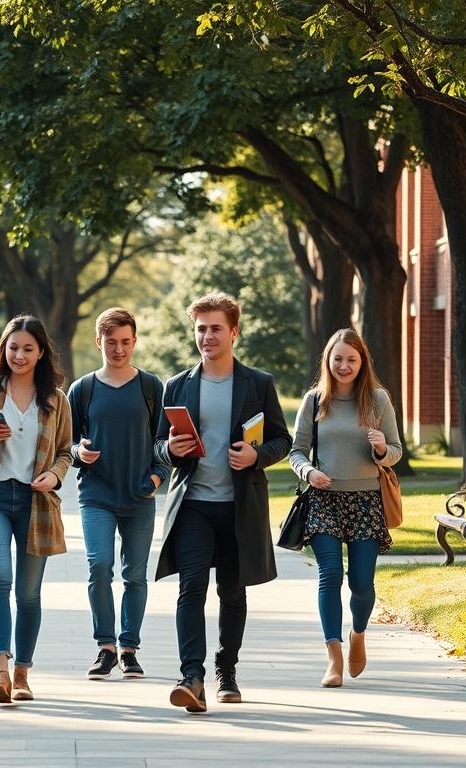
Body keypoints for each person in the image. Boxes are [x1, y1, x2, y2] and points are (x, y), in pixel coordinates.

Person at [155, 292, 292, 713]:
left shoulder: (259, 383)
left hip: (239, 506)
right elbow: (158, 445)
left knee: (232, 592)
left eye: (215, 328)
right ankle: (190, 676)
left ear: (233, 332)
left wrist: (257, 456)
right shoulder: (177, 385)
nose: (207, 336)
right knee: (190, 586)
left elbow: (282, 440)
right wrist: (171, 450)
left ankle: (225, 670)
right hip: (193, 503)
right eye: (200, 329)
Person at [0, 315, 73, 704]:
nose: (19, 355)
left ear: (41, 353)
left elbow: (64, 452)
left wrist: (54, 476)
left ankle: (23, 672)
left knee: (28, 594)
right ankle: (0, 670)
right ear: (3, 349)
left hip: (36, 503)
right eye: (13, 347)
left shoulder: (56, 400)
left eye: (27, 348)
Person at [288, 328, 402, 688]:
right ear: (328, 360)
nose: (344, 365)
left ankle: (358, 634)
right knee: (330, 575)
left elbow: (396, 452)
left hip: (367, 500)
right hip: (324, 499)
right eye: (337, 358)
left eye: (351, 359)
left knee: (362, 584)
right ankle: (333, 657)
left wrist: (383, 448)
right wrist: (308, 471)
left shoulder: (378, 400)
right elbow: (296, 451)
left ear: (362, 362)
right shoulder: (314, 400)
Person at [66, 308, 168, 681]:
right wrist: (80, 452)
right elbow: (67, 443)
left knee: (135, 575)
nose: (119, 349)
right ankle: (105, 646)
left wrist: (157, 478)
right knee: (99, 566)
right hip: (96, 493)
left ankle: (129, 648)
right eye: (111, 343)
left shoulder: (151, 386)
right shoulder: (83, 389)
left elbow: (165, 443)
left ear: (134, 341)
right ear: (99, 343)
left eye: (125, 342)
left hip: (141, 495)